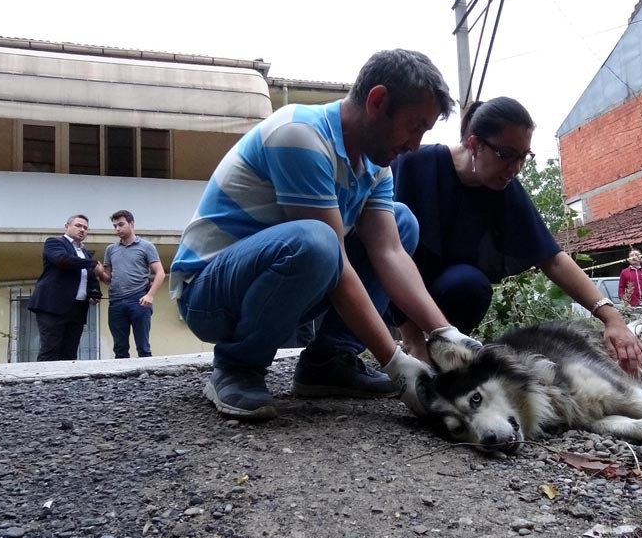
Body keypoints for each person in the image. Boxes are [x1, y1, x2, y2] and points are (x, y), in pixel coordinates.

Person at [170, 49, 481, 420]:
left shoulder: (375, 164)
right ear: (377, 101)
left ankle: (329, 361)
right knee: (317, 242)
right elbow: (334, 260)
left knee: (400, 221)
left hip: (281, 279)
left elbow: (390, 253)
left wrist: (444, 332)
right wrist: (395, 363)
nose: (414, 146)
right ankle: (237, 367)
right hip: (208, 293)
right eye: (414, 127)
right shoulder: (299, 134)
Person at [391, 96, 642, 373]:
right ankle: (412, 348)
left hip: (442, 293)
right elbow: (385, 253)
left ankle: (442, 353)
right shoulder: (414, 164)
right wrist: (414, 343)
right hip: (389, 285)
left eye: (524, 156)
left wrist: (612, 318)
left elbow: (552, 258)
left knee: (470, 284)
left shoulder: (504, 187)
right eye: (507, 155)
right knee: (398, 244)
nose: (515, 168)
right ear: (475, 144)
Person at [27, 215, 104, 361]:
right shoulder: (55, 243)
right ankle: (44, 381)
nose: (82, 230)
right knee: (50, 349)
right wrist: (91, 263)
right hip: (53, 306)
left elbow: (88, 276)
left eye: (85, 228)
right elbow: (62, 260)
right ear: (66, 227)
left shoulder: (85, 253)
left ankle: (67, 383)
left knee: (70, 352)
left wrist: (94, 292)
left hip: (78, 308)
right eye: (78, 225)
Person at [99, 210, 165, 358]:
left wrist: (150, 295)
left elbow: (160, 273)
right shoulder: (111, 250)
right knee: (120, 347)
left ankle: (146, 378)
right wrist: (99, 272)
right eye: (115, 226)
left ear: (131, 224)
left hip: (139, 300)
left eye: (121, 225)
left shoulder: (146, 246)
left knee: (143, 346)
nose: (117, 229)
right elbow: (107, 278)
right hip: (116, 301)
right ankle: (121, 380)